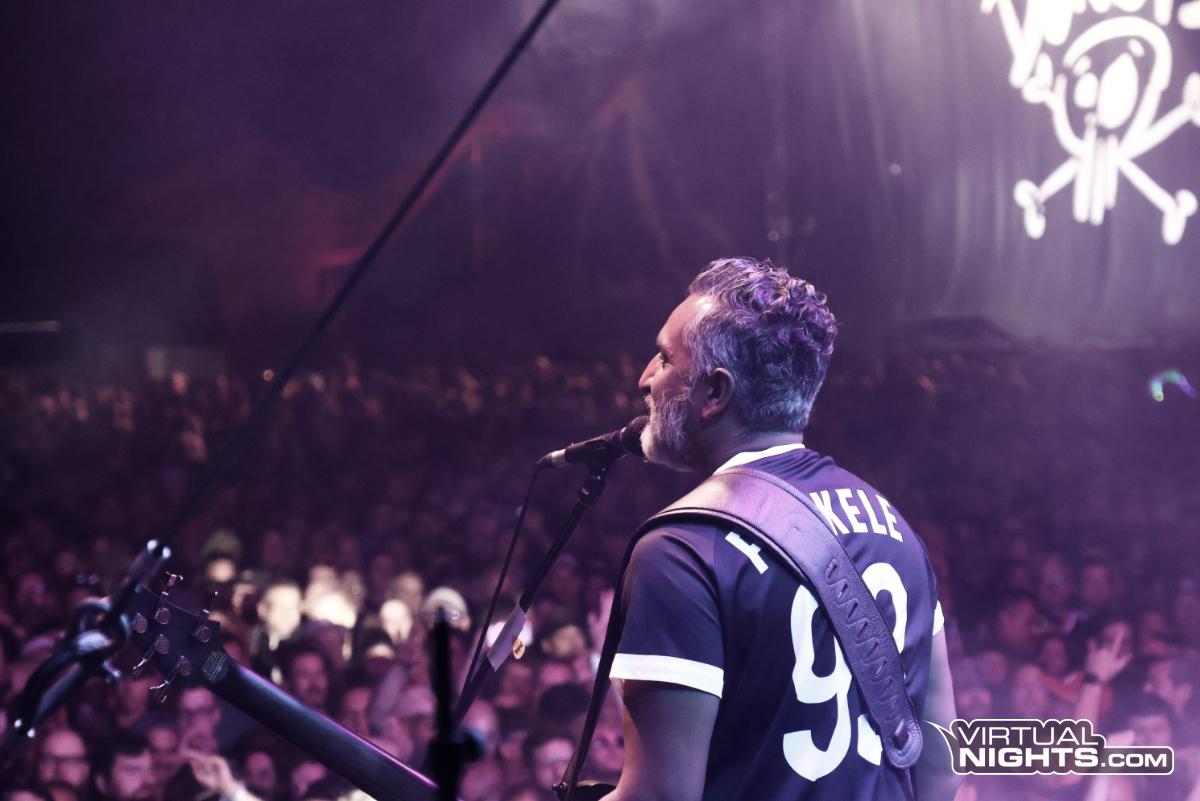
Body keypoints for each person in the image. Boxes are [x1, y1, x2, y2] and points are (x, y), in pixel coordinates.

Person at [601, 258, 958, 800]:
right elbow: (941, 771)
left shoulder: (684, 548)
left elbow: (661, 796)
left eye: (665, 358)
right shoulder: (896, 530)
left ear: (714, 393)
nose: (645, 378)